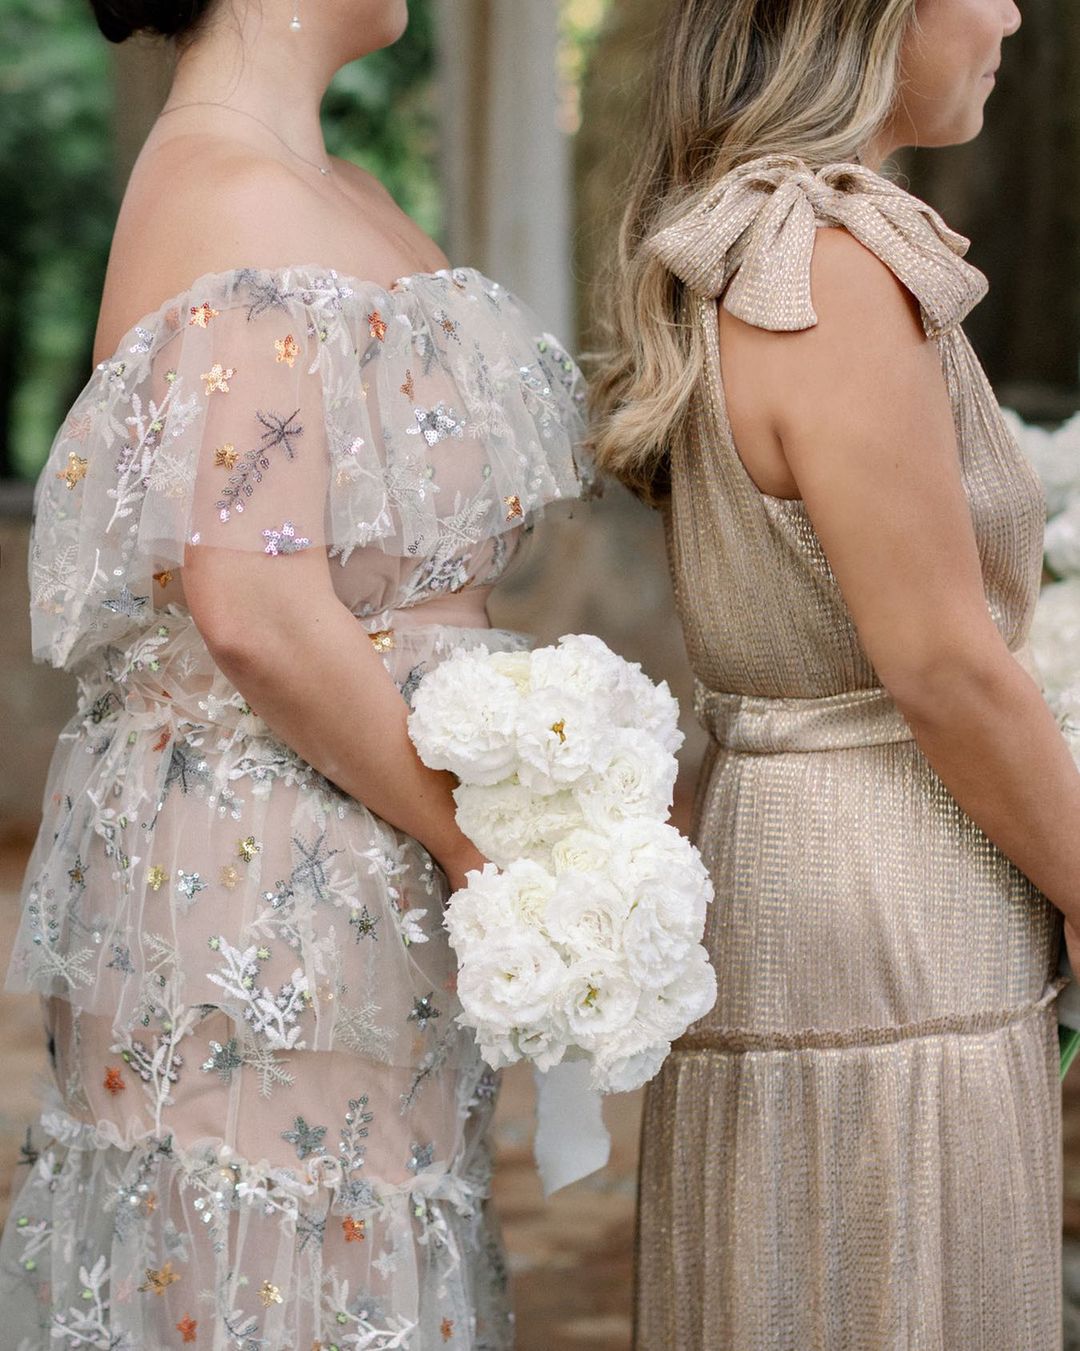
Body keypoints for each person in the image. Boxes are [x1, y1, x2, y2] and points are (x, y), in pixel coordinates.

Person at [0, 1, 590, 1346]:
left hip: (363, 854)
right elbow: (257, 608)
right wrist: (476, 844)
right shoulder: (233, 200)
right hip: (269, 878)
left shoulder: (339, 189)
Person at [589, 0, 1080, 1346]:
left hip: (790, 871)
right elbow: (940, 663)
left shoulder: (751, 246)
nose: (1012, 14)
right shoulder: (828, 266)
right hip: (886, 897)